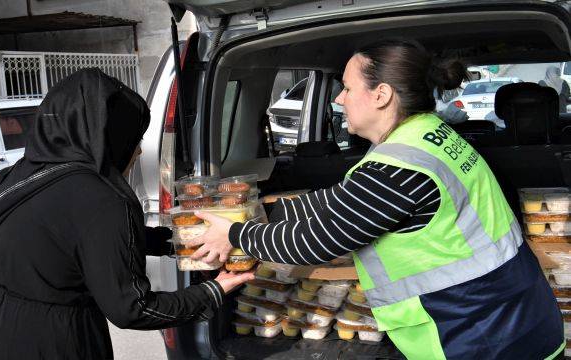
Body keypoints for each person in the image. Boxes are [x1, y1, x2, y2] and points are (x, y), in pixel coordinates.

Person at [190, 40, 564, 359]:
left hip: (477, 335)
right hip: (511, 313)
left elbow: (314, 243)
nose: (339, 98)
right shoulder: (427, 136)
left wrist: (238, 234)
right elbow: (341, 201)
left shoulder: (395, 169)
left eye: (348, 88)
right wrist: (262, 210)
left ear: (381, 95)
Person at [0, 68, 253, 360]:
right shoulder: (103, 198)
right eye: (134, 138)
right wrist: (213, 290)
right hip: (38, 342)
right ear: (110, 138)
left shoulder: (24, 173)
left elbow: (86, 240)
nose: (139, 150)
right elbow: (133, 307)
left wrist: (181, 241)